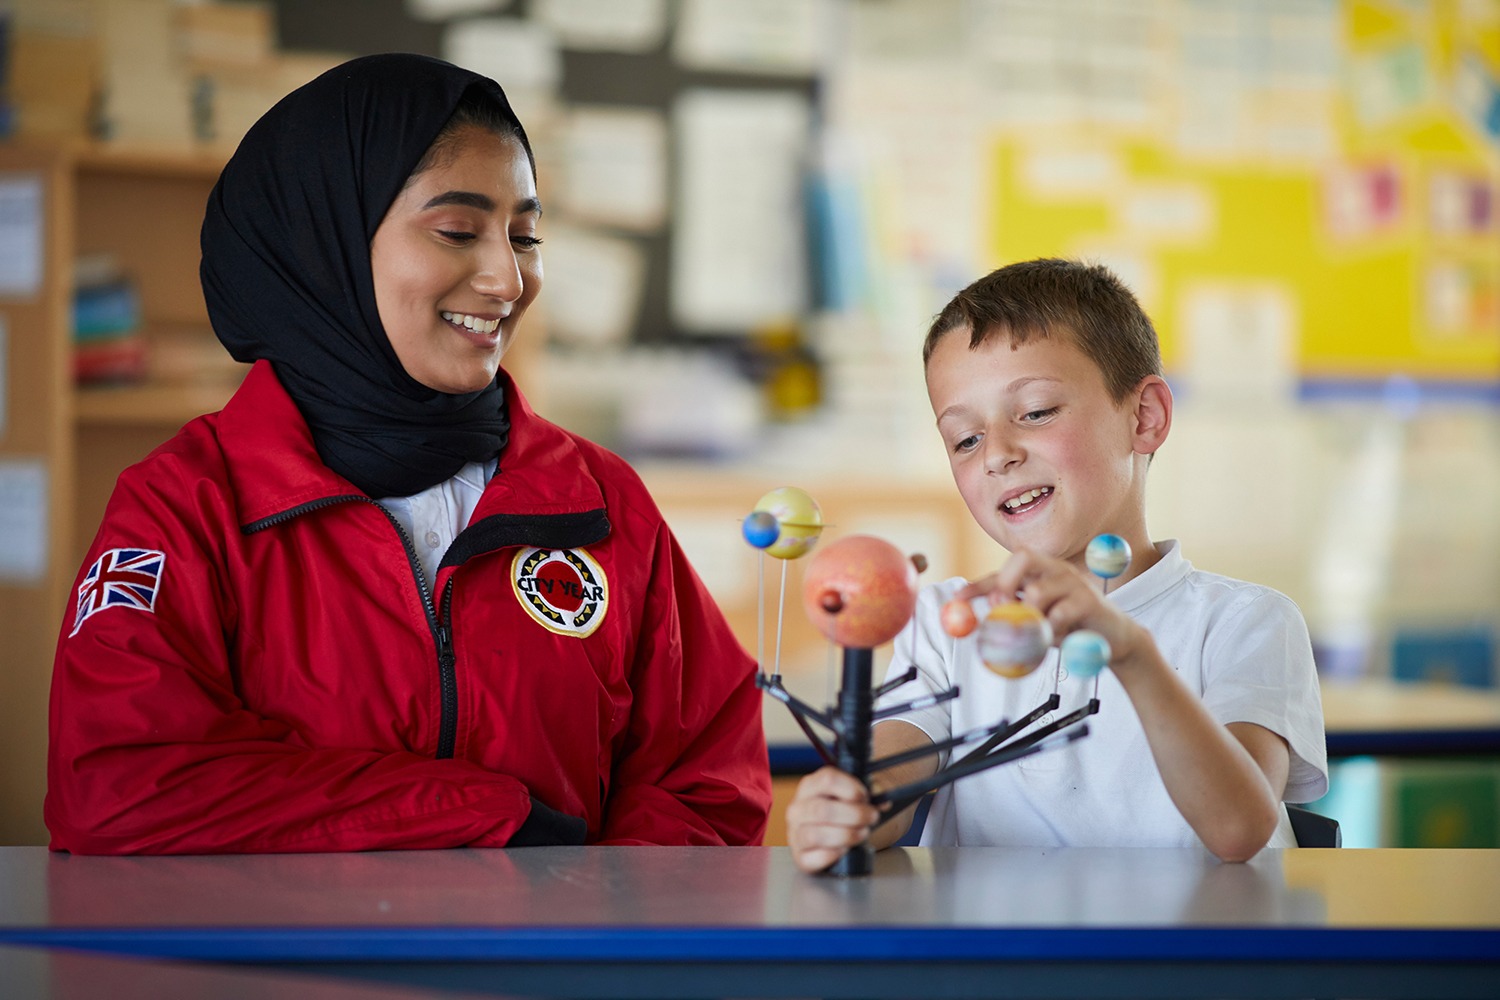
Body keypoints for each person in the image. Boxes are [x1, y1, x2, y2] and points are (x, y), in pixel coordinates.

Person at [45, 53, 770, 854]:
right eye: (458, 230)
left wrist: (592, 918)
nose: (507, 278)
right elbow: (118, 786)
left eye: (524, 236)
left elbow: (708, 777)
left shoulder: (595, 498)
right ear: (324, 245)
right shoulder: (188, 504)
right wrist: (484, 819)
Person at [786, 258, 1326, 872]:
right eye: (964, 439)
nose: (997, 454)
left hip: (1185, 961)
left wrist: (1129, 650)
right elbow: (885, 785)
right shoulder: (945, 622)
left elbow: (1237, 829)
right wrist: (845, 809)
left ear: (1144, 417)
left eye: (1037, 411)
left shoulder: (1245, 622)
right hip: (1002, 964)